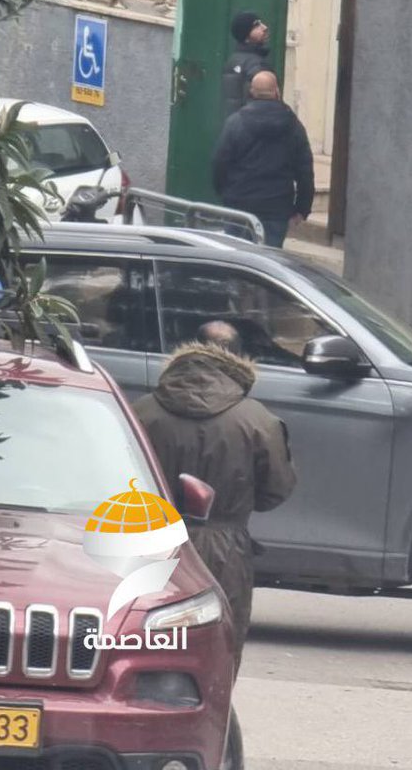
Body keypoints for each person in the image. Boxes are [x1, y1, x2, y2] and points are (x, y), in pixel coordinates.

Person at [133, 321, 296, 670]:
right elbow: (275, 492)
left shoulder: (142, 411)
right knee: (218, 655)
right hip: (225, 550)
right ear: (239, 358)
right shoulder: (257, 420)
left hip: (149, 543)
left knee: (142, 646)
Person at [212, 70, 314, 247]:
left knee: (236, 261)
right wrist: (302, 208)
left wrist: (225, 194)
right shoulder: (294, 126)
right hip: (276, 206)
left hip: (239, 205)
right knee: (269, 261)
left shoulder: (235, 123)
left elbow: (220, 163)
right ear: (277, 92)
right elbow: (305, 170)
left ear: (251, 92)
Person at [221, 10, 271, 119]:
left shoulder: (233, 60)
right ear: (246, 35)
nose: (264, 27)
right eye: (257, 25)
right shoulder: (256, 64)